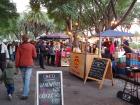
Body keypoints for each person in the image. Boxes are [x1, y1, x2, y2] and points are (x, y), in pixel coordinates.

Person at [15, 34, 37, 100]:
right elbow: (35, 56)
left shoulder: (20, 47)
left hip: (21, 65)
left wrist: (16, 66)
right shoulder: (32, 46)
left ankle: (25, 93)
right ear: (28, 39)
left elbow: (17, 57)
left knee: (25, 79)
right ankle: (26, 91)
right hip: (29, 64)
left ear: (22, 39)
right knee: (27, 79)